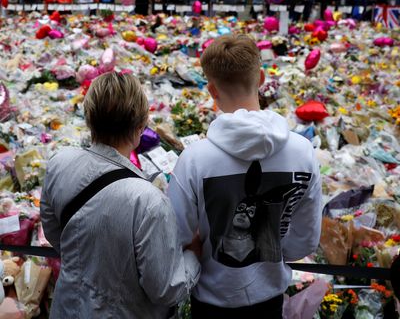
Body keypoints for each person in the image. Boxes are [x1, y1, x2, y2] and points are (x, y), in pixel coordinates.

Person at [168, 35, 322, 319]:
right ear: (261, 77)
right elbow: (306, 241)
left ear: (212, 91)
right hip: (270, 298)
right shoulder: (303, 152)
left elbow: (173, 236)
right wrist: (270, 246)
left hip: (212, 302)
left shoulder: (194, 160)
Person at [41, 71, 201, 318]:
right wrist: (194, 256)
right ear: (140, 128)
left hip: (67, 308)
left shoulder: (60, 163)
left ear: (89, 117)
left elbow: (55, 234)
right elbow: (167, 290)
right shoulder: (149, 202)